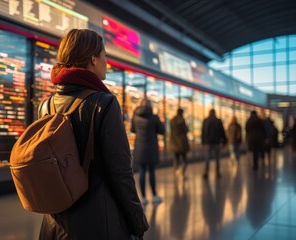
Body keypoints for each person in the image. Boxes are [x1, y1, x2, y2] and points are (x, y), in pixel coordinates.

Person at [38, 29, 148, 239]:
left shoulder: (46, 106)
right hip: (96, 221)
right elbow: (120, 172)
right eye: (104, 55)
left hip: (54, 223)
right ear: (93, 59)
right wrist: (138, 222)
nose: (107, 61)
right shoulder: (104, 104)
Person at [131, 99, 165, 205]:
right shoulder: (154, 117)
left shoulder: (135, 117)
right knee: (151, 172)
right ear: (150, 106)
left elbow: (132, 130)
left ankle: (144, 198)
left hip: (140, 148)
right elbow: (162, 131)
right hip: (151, 148)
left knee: (141, 172)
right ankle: (154, 196)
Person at [201, 109, 227, 179]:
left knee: (207, 158)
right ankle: (217, 172)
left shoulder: (205, 120)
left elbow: (203, 132)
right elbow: (222, 131)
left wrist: (203, 142)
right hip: (217, 142)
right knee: (217, 158)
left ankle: (206, 172)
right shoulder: (218, 121)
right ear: (215, 113)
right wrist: (225, 141)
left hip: (208, 143)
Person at [168, 108, 190, 178]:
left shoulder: (172, 120)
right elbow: (186, 129)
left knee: (176, 158)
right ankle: (183, 174)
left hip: (174, 142)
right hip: (182, 142)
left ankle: (176, 172)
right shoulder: (182, 120)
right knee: (184, 159)